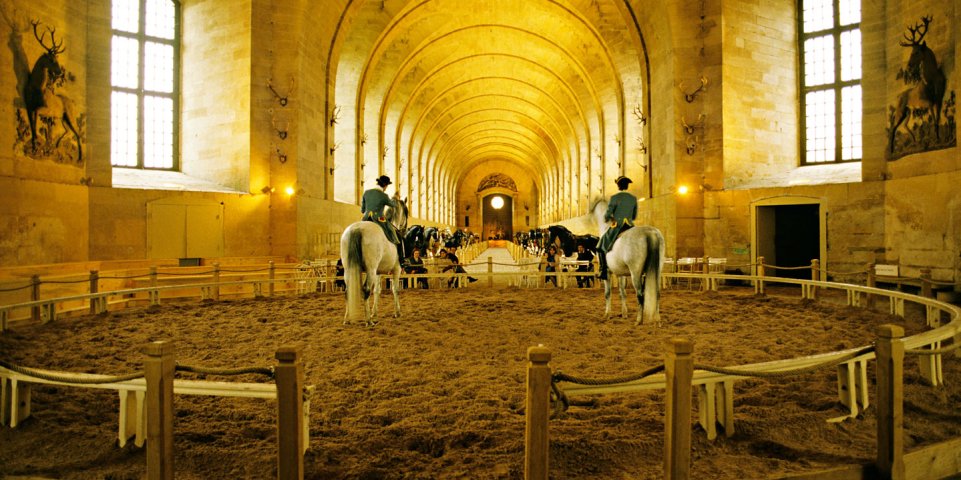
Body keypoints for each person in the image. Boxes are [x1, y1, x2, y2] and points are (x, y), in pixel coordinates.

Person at [597, 176, 638, 280]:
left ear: (618, 186)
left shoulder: (615, 198)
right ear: (627, 186)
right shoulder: (633, 198)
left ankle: (603, 270)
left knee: (600, 245)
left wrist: (608, 218)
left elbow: (608, 214)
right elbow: (634, 216)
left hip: (618, 225)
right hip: (629, 225)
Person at [361, 175, 403, 259]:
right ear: (385, 185)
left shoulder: (366, 192)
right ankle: (399, 256)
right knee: (393, 232)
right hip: (378, 219)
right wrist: (395, 198)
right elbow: (393, 204)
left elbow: (362, 210)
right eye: (387, 186)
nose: (386, 188)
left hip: (365, 218)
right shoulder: (384, 195)